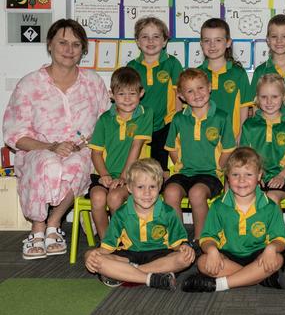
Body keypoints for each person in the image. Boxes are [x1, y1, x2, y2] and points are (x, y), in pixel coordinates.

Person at [3, 19, 110, 260]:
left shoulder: (93, 82)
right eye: (62, 42)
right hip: (38, 150)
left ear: (82, 50)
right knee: (48, 163)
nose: (69, 49)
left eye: (75, 44)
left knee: (78, 163)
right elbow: (14, 134)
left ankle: (53, 223)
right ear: (50, 44)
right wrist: (50, 146)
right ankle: (37, 228)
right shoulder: (30, 84)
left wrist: (81, 145)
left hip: (82, 151)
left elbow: (106, 124)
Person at [181, 147, 285, 292]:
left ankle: (219, 285)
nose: (241, 180)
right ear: (228, 177)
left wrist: (272, 247)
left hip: (259, 255)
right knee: (203, 262)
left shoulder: (270, 206)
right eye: (235, 174)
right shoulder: (219, 206)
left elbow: (280, 239)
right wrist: (212, 250)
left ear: (259, 176)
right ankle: (258, 276)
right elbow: (207, 238)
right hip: (228, 256)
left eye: (248, 174)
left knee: (277, 259)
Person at [84, 158, 194, 290]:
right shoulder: (121, 213)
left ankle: (129, 273)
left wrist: (184, 247)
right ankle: (151, 278)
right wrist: (91, 255)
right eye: (140, 187)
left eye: (152, 187)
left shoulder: (168, 212)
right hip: (129, 255)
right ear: (129, 188)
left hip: (160, 255)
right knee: (96, 259)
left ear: (160, 187)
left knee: (184, 258)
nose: (147, 193)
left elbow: (178, 245)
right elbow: (107, 248)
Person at [163, 69, 236, 246]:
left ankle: (201, 239)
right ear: (181, 96)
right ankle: (179, 239)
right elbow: (171, 147)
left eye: (200, 88)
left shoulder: (221, 117)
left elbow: (228, 149)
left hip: (210, 174)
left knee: (196, 193)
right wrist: (179, 163)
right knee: (170, 192)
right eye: (190, 91)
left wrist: (219, 166)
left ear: (209, 87)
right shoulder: (179, 119)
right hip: (185, 172)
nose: (197, 94)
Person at [88, 67, 153, 239]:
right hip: (106, 174)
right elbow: (96, 153)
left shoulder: (145, 114)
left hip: (134, 175)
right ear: (111, 95)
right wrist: (105, 175)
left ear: (141, 93)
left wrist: (124, 177)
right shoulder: (104, 119)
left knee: (115, 198)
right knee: (97, 198)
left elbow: (136, 147)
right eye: (121, 94)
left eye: (132, 93)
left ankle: (125, 240)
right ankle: (107, 243)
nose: (127, 99)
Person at [126, 17, 183, 177]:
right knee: (140, 167)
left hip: (166, 123)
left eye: (156, 36)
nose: (150, 41)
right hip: (140, 122)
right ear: (137, 41)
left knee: (161, 165)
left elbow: (179, 94)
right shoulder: (132, 66)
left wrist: (177, 122)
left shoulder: (172, 64)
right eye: (145, 36)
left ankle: (164, 187)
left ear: (164, 41)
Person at [240, 74, 285, 204]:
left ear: (284, 97)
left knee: (271, 197)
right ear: (257, 98)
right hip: (255, 178)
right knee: (246, 197)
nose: (269, 102)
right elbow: (245, 158)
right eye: (264, 97)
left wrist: (281, 176)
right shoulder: (249, 125)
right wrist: (254, 176)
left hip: (284, 178)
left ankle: (276, 225)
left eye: (274, 96)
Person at [247, 14, 285, 130]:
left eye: (284, 36)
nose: (279, 41)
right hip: (264, 137)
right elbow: (255, 105)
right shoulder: (260, 71)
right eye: (274, 36)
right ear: (267, 40)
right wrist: (260, 129)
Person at [197, 18, 252, 140]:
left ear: (228, 43)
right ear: (201, 44)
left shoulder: (238, 73)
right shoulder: (196, 74)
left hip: (231, 139)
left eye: (218, 40)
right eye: (207, 40)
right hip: (202, 140)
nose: (212, 45)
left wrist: (240, 135)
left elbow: (244, 107)